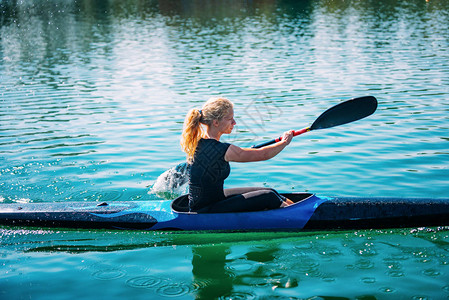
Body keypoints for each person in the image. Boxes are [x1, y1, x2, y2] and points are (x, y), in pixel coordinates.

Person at [180, 97, 294, 213]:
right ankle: (301, 215)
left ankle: (298, 209)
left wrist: (243, 152)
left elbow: (233, 153)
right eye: (230, 119)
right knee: (269, 196)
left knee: (271, 191)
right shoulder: (222, 150)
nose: (234, 122)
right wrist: (284, 142)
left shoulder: (199, 142)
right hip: (205, 210)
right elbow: (263, 154)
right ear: (216, 122)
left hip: (212, 201)